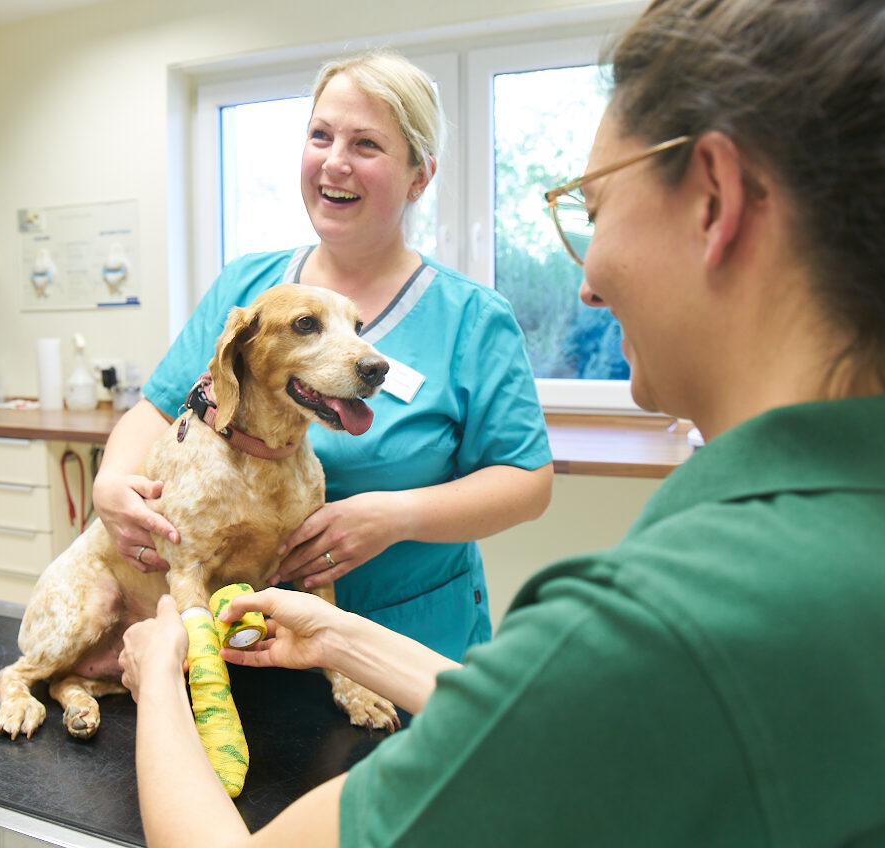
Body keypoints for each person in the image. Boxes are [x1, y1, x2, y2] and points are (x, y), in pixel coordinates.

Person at [119, 0, 885, 844]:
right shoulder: (804, 551)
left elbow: (547, 700)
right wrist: (342, 637)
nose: (586, 283)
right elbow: (540, 720)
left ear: (714, 200)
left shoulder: (655, 621)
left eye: (590, 209)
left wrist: (159, 676)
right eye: (320, 135)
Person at [93, 51, 554, 661]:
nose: (335, 161)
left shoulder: (472, 318)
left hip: (408, 642)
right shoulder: (248, 289)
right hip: (248, 643)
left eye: (366, 144)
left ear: (420, 176)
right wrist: (111, 484)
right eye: (321, 135)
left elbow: (527, 481)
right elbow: (159, 410)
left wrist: (395, 517)